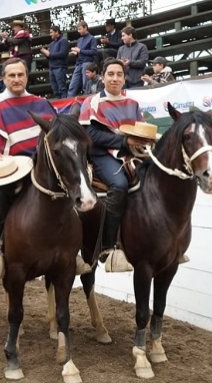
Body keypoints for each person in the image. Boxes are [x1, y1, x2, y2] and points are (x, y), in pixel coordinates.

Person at [0, 58, 56, 278]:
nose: (16, 79)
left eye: (20, 75)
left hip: (38, 168)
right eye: (12, 75)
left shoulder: (41, 104)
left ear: (26, 76)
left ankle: (70, 250)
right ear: (4, 78)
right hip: (7, 169)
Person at [78, 58, 152, 272]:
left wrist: (144, 140)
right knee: (119, 185)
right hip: (102, 155)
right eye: (110, 74)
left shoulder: (133, 104)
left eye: (119, 74)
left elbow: (139, 129)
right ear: (103, 77)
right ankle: (107, 247)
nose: (115, 78)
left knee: (156, 179)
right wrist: (123, 142)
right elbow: (89, 133)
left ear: (124, 77)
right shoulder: (92, 102)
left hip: (131, 154)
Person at [67, 21, 98, 97]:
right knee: (72, 85)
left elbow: (94, 51)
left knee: (86, 84)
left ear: (85, 28)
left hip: (87, 63)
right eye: (78, 29)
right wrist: (75, 53)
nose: (78, 31)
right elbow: (79, 52)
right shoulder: (79, 40)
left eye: (80, 29)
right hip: (78, 64)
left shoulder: (92, 38)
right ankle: (69, 102)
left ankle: (86, 100)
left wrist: (80, 51)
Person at [40, 25, 70, 99]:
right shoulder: (51, 44)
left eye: (51, 32)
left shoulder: (63, 41)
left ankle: (64, 104)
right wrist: (46, 54)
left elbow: (63, 54)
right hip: (52, 68)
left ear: (57, 32)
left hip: (60, 67)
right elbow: (50, 56)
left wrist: (49, 54)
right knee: (55, 89)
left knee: (62, 88)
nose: (50, 34)